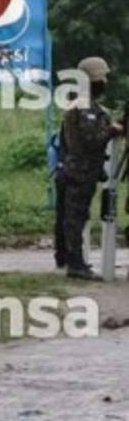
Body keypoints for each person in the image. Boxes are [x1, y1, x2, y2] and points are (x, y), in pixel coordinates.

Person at [60, 57, 124, 280]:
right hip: (81, 170)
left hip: (82, 170)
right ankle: (76, 265)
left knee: (77, 216)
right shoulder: (84, 106)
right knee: (75, 218)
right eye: (102, 78)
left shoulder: (84, 104)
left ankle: (76, 262)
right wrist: (112, 131)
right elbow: (91, 139)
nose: (105, 82)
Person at [47, 130, 67, 269]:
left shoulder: (60, 133)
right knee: (70, 218)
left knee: (62, 217)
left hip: (62, 174)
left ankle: (62, 256)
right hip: (72, 175)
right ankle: (68, 257)